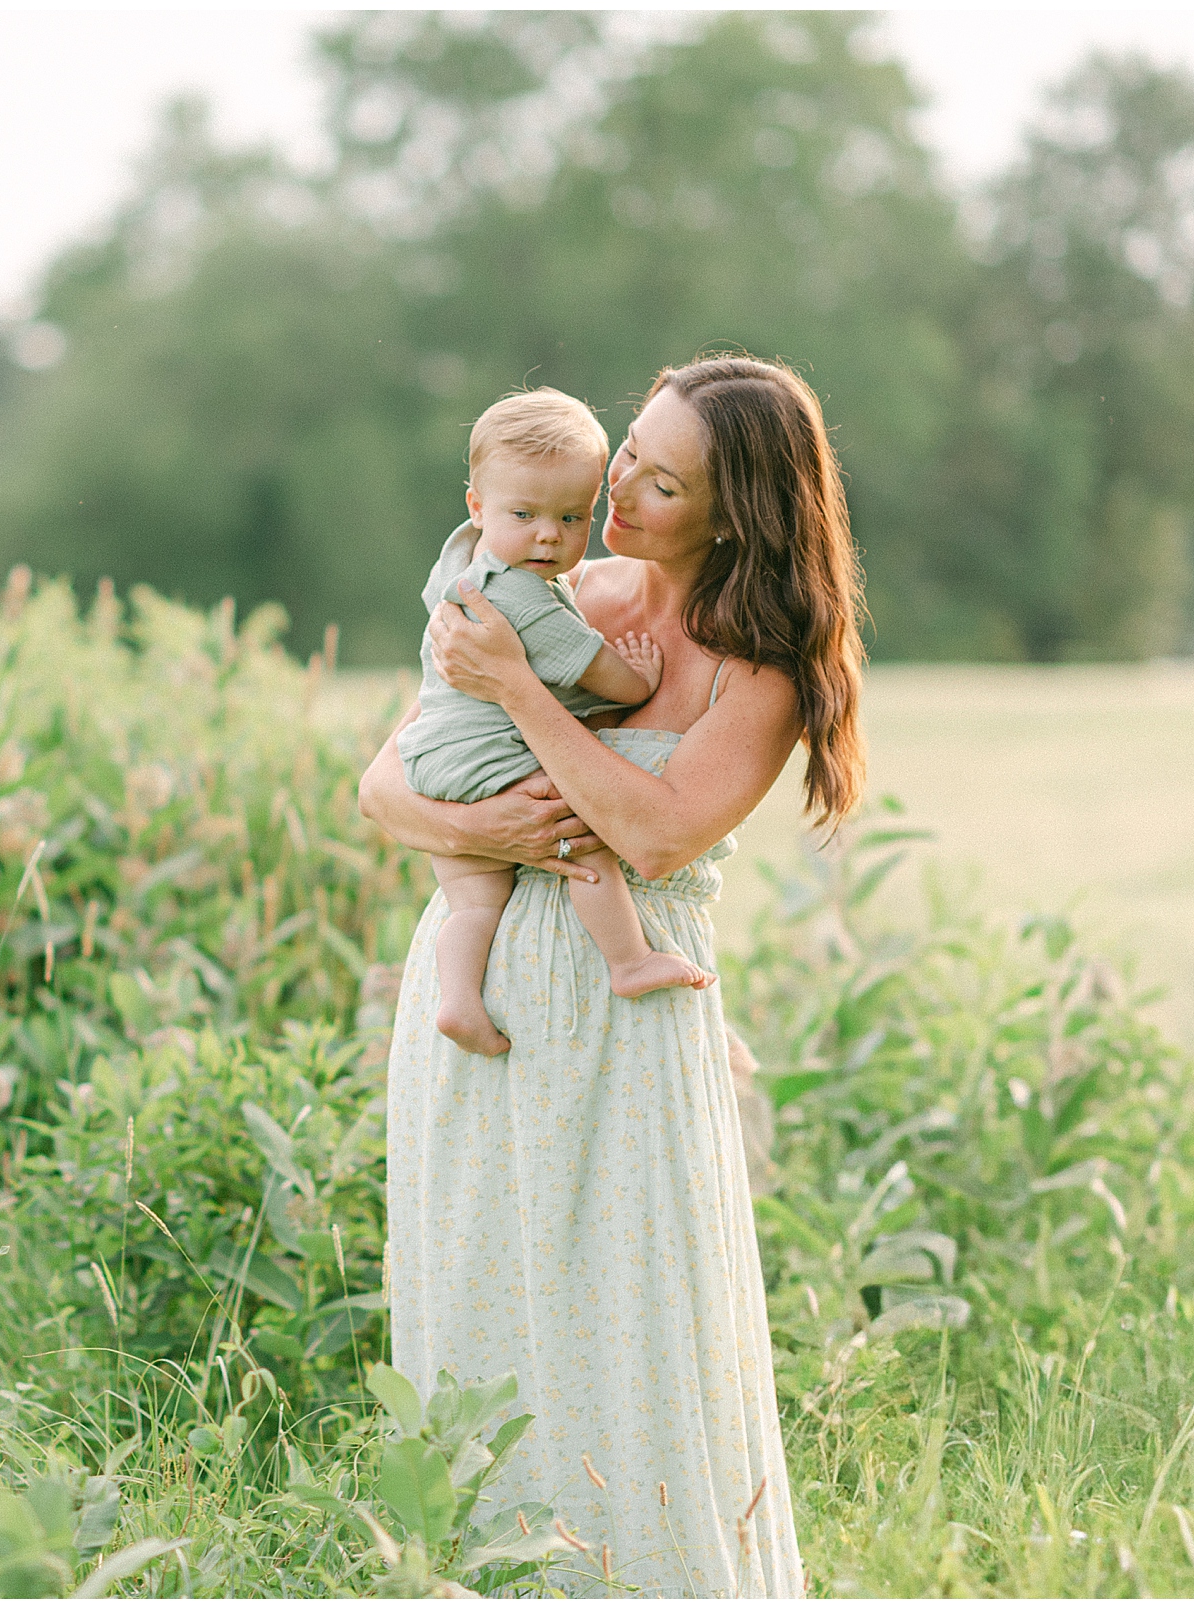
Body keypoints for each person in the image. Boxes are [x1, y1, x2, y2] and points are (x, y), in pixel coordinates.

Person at [359, 355, 866, 1597]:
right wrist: (489, 830)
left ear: (735, 515)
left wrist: (521, 693)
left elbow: (654, 835)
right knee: (480, 1287)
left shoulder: (760, 671)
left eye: (664, 480)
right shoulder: (551, 585)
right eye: (632, 447)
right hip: (482, 992)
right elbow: (382, 788)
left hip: (625, 1013)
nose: (621, 486)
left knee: (635, 1313)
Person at [398, 388, 712, 1059]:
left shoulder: (465, 565)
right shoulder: (523, 597)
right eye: (526, 515)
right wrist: (640, 675)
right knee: (582, 839)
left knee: (473, 900)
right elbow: (610, 677)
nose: (549, 534)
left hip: (435, 760)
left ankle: (458, 999)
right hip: (488, 759)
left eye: (572, 517)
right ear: (477, 507)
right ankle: (629, 959)